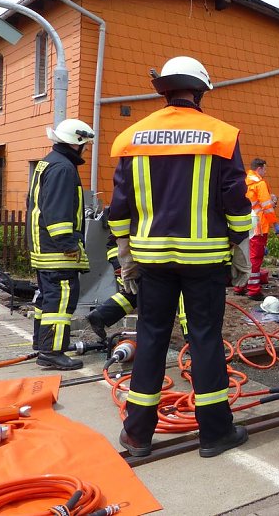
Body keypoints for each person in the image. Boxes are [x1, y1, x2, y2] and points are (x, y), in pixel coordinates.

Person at [108, 56, 252, 458]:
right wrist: (239, 245)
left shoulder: (132, 137)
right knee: (204, 339)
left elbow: (120, 208)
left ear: (166, 90)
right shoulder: (221, 135)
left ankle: (137, 434)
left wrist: (126, 254)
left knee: (151, 337)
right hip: (205, 260)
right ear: (200, 91)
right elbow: (236, 203)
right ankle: (215, 433)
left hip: (151, 259)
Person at [26, 118, 95, 370]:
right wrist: (68, 243)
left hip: (44, 248)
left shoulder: (49, 163)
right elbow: (58, 211)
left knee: (48, 299)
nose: (86, 148)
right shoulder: (63, 168)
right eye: (85, 144)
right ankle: (52, 352)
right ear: (77, 143)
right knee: (60, 300)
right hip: (57, 251)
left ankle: (42, 344)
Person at [86, 230, 188, 341]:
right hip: (126, 255)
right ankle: (188, 337)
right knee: (140, 290)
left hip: (126, 254)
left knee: (136, 291)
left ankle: (100, 316)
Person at [237, 158, 279, 301]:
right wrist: (275, 223)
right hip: (258, 225)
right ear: (259, 169)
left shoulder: (243, 182)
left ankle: (240, 285)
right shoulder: (260, 184)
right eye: (265, 169)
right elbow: (267, 207)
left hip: (243, 223)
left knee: (244, 255)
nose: (265, 172)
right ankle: (254, 289)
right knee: (255, 258)